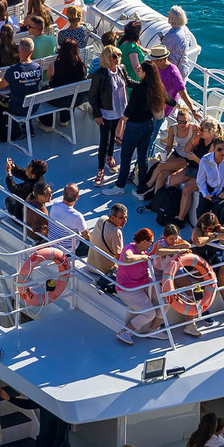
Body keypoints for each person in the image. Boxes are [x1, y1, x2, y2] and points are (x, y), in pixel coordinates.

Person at [115, 61, 166, 193]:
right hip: (148, 126)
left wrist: (123, 119)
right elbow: (169, 99)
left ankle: (120, 185)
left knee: (126, 157)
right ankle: (142, 186)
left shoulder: (138, 89)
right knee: (142, 157)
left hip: (134, 127)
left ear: (145, 73)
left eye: (140, 70)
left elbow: (130, 109)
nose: (138, 71)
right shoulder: (157, 87)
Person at [0, 36, 43, 145]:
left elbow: (0, 85)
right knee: (28, 92)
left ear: (18, 49)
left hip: (18, 107)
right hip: (33, 106)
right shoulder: (38, 68)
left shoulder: (13, 70)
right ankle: (28, 128)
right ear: (32, 51)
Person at [113, 230, 163, 342]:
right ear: (144, 241)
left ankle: (154, 329)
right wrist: (142, 258)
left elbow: (148, 258)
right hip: (128, 289)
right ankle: (125, 331)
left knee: (165, 298)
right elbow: (127, 258)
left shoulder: (143, 252)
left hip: (143, 284)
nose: (151, 245)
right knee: (150, 313)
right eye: (151, 242)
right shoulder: (129, 249)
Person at [90, 49, 127, 183]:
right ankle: (100, 170)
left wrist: (144, 85)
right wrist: (97, 114)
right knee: (104, 140)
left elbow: (127, 81)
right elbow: (93, 96)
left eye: (119, 55)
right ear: (107, 58)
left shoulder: (121, 69)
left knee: (112, 137)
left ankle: (109, 157)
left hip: (118, 110)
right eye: (114, 56)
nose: (117, 58)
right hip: (106, 112)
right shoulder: (100, 74)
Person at [190, 136, 224, 227]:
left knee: (218, 210)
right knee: (201, 211)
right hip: (209, 189)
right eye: (219, 149)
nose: (223, 152)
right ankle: (200, 233)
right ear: (213, 149)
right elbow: (200, 179)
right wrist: (205, 194)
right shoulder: (205, 160)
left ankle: (216, 236)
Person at [85, 202, 127, 289]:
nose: (125, 221)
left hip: (90, 266)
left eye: (126, 217)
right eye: (121, 218)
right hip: (104, 271)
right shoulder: (116, 232)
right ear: (112, 217)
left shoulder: (101, 219)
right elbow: (119, 258)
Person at [47, 182, 88, 255]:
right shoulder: (77, 216)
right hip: (67, 251)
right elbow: (86, 235)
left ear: (63, 194)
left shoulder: (56, 204)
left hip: (52, 244)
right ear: (77, 197)